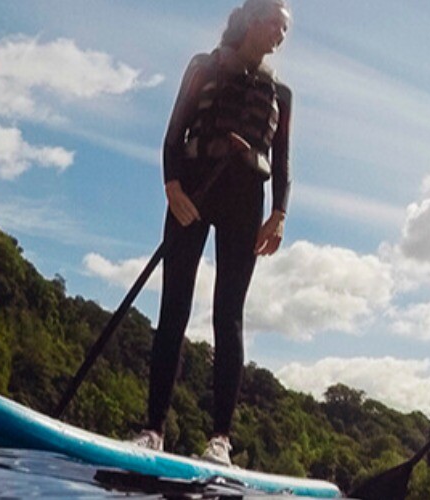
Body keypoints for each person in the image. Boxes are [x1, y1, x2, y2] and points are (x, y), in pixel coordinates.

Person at [129, 0, 293, 466]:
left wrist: (279, 213)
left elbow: (281, 162)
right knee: (174, 305)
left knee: (229, 316)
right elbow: (174, 133)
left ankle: (220, 439)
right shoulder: (204, 66)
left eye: (285, 30)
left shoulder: (281, 93)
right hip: (195, 190)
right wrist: (172, 185)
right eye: (274, 24)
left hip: (245, 201)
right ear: (250, 19)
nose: (279, 36)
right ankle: (153, 429)